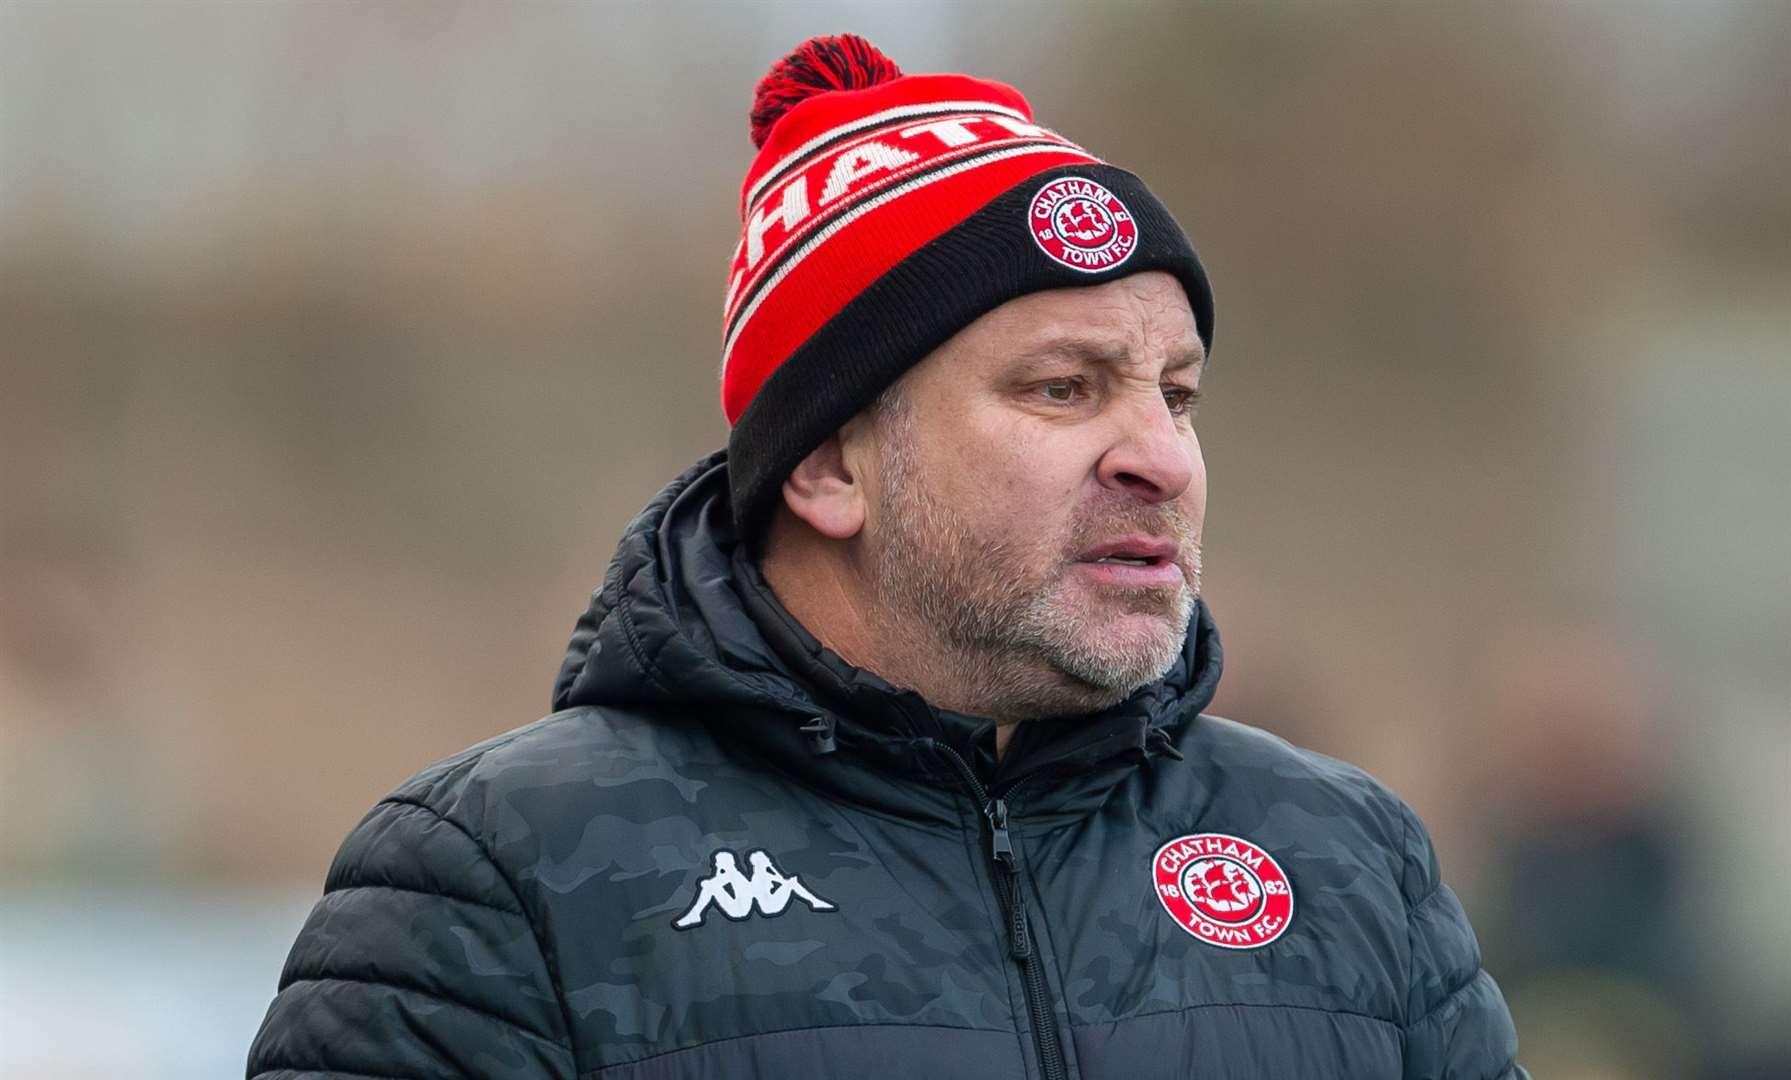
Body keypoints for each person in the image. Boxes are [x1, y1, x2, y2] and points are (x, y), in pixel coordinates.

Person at [248, 34, 1525, 1080]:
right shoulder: (500, 882)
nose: (1161, 458)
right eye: (1064, 389)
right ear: (828, 466)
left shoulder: (1346, 860)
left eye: (1177, 396)